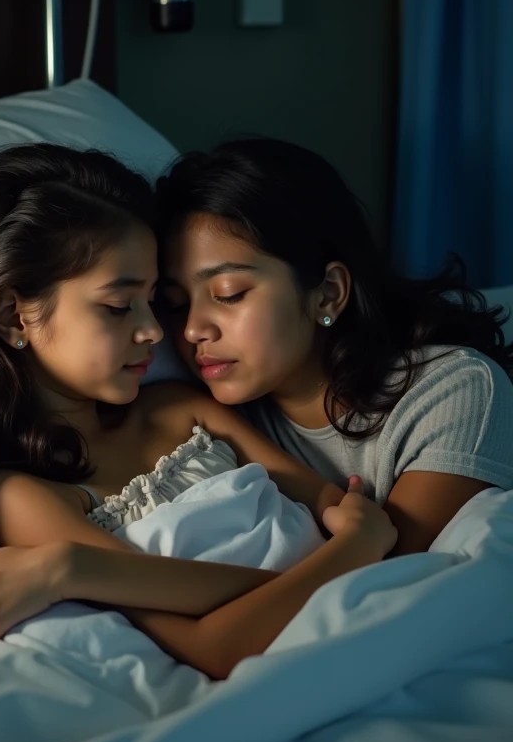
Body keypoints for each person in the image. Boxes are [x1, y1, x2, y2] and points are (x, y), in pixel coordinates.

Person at [0, 142, 396, 678]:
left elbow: (336, 511)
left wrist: (351, 546)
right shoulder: (22, 497)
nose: (154, 331)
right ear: (14, 317)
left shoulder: (181, 409)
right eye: (119, 306)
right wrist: (356, 551)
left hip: (371, 616)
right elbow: (218, 646)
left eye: (155, 302)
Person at [155, 137, 513, 558]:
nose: (194, 329)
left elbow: (380, 583)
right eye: (176, 305)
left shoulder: (455, 391)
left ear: (327, 293)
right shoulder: (207, 421)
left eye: (229, 293)